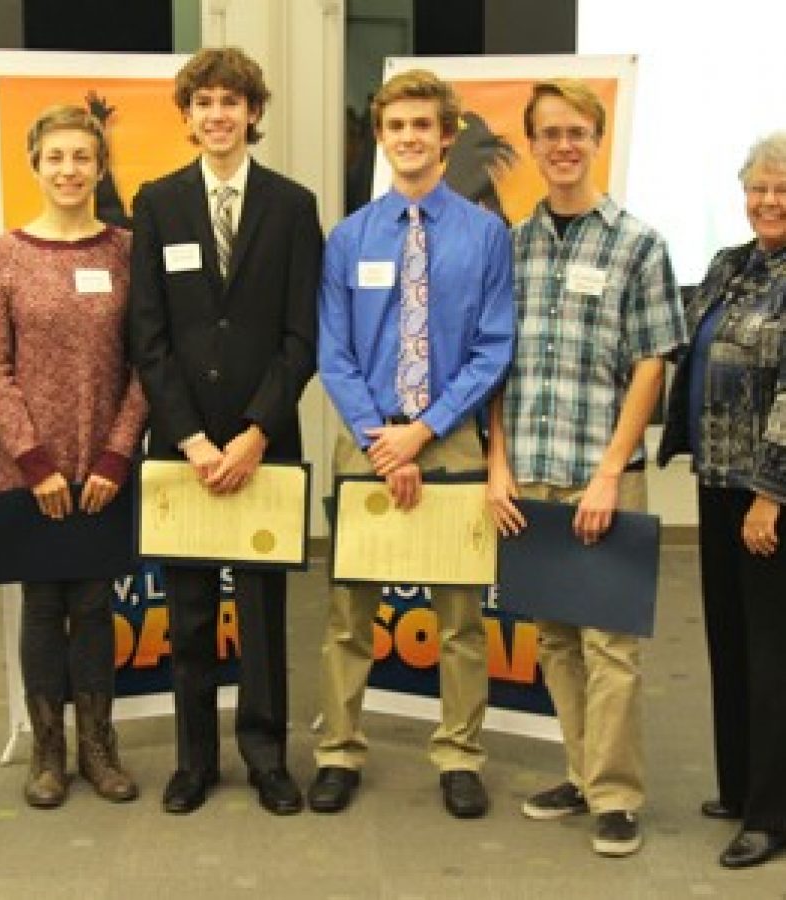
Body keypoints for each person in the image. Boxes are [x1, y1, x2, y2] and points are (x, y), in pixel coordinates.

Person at [486, 79, 686, 856]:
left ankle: (617, 796)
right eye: (549, 134)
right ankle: (580, 769)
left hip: (601, 470)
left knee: (611, 644)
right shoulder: (512, 243)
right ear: (531, 145)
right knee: (557, 640)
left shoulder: (639, 243)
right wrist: (497, 462)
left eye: (577, 132)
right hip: (528, 470)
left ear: (597, 139)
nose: (563, 146)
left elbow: (651, 365)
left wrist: (610, 470)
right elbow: (492, 363)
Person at [312, 69, 514, 819]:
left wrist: (422, 433)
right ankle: (338, 749)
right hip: (365, 444)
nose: (409, 139)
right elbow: (334, 352)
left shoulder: (487, 235)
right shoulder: (350, 238)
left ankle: (459, 754)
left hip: (452, 441)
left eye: (422, 126)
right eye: (396, 127)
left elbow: (494, 349)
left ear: (447, 134)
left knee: (461, 618)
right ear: (380, 136)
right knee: (347, 613)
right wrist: (380, 441)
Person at [128, 47, 321, 816]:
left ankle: (268, 757)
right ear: (187, 116)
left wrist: (251, 433)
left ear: (253, 113)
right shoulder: (157, 202)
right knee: (191, 610)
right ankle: (194, 761)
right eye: (203, 103)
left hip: (263, 446)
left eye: (231, 103)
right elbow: (148, 335)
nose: (217, 115)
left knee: (266, 613)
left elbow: (300, 335)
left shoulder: (293, 205)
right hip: (185, 449)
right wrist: (194, 439)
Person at [0, 105, 147, 808]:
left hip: (104, 464)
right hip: (31, 467)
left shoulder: (126, 252)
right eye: (56, 157)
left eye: (83, 157)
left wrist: (114, 455)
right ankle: (48, 752)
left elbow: (146, 365)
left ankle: (99, 748)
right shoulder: (4, 255)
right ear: (35, 165)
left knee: (96, 604)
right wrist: (33, 459)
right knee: (43, 606)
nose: (69, 170)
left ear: (100, 166)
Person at [658, 133, 786, 869]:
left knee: (774, 656)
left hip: (768, 496)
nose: (767, 202)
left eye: (781, 190)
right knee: (729, 640)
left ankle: (771, 813)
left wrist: (771, 493)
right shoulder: (730, 265)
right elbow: (687, 343)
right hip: (716, 481)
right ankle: (738, 786)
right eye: (758, 188)